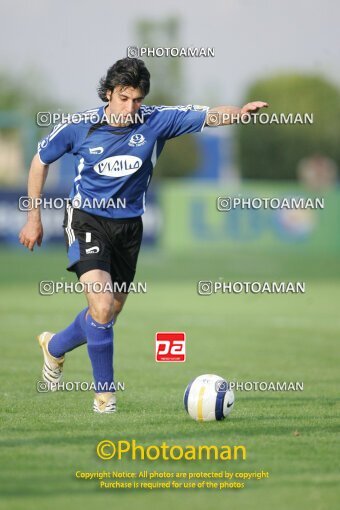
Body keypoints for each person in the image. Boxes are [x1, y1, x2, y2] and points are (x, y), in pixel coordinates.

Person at [19, 57, 267, 413]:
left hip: (129, 227)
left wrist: (239, 113)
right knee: (102, 306)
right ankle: (105, 399)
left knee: (107, 312)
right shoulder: (79, 126)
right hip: (86, 219)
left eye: (137, 99)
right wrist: (33, 219)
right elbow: (40, 160)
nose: (130, 107)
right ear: (109, 94)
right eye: (123, 98)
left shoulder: (157, 120)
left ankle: (54, 346)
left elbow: (210, 115)